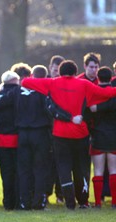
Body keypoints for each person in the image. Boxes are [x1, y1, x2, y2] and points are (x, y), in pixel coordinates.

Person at [21, 60, 116, 210]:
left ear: (60, 70)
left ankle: (69, 203)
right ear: (75, 71)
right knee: (81, 168)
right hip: (80, 133)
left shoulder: (52, 83)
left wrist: (37, 79)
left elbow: (26, 82)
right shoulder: (83, 84)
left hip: (60, 133)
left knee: (63, 167)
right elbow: (106, 93)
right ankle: (83, 201)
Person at [16, 65, 52, 210]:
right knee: (39, 169)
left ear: (31, 75)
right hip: (40, 132)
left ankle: (24, 202)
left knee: (24, 169)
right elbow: (49, 111)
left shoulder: (18, 91)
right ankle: (38, 202)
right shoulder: (44, 91)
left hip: (23, 133)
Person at [88, 66, 116, 209]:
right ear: (111, 78)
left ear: (98, 77)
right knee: (114, 170)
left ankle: (98, 203)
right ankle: (114, 202)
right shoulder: (113, 93)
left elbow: (89, 113)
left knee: (98, 170)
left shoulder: (93, 93)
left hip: (97, 136)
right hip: (113, 137)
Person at [0, 70, 20, 210]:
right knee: (19, 171)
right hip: (17, 137)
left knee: (6, 172)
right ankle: (18, 200)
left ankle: (8, 202)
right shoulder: (18, 93)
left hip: (2, 138)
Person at [46, 55, 65, 204]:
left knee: (61, 162)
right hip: (46, 129)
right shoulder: (44, 83)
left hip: (61, 129)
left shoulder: (66, 85)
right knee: (46, 163)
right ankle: (46, 193)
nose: (56, 72)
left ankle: (60, 194)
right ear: (50, 68)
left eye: (59, 70)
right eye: (54, 69)